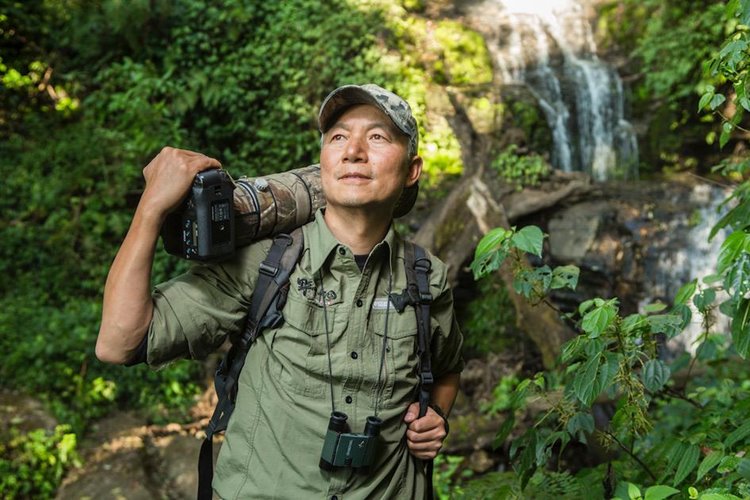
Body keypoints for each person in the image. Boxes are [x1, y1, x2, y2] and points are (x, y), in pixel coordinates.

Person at [96, 83, 464, 498]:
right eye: (338, 137)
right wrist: (151, 208)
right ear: (323, 161)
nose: (353, 150)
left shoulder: (425, 276)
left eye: (377, 137)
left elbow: (447, 365)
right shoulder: (268, 264)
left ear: (412, 169)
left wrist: (436, 416)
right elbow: (119, 343)